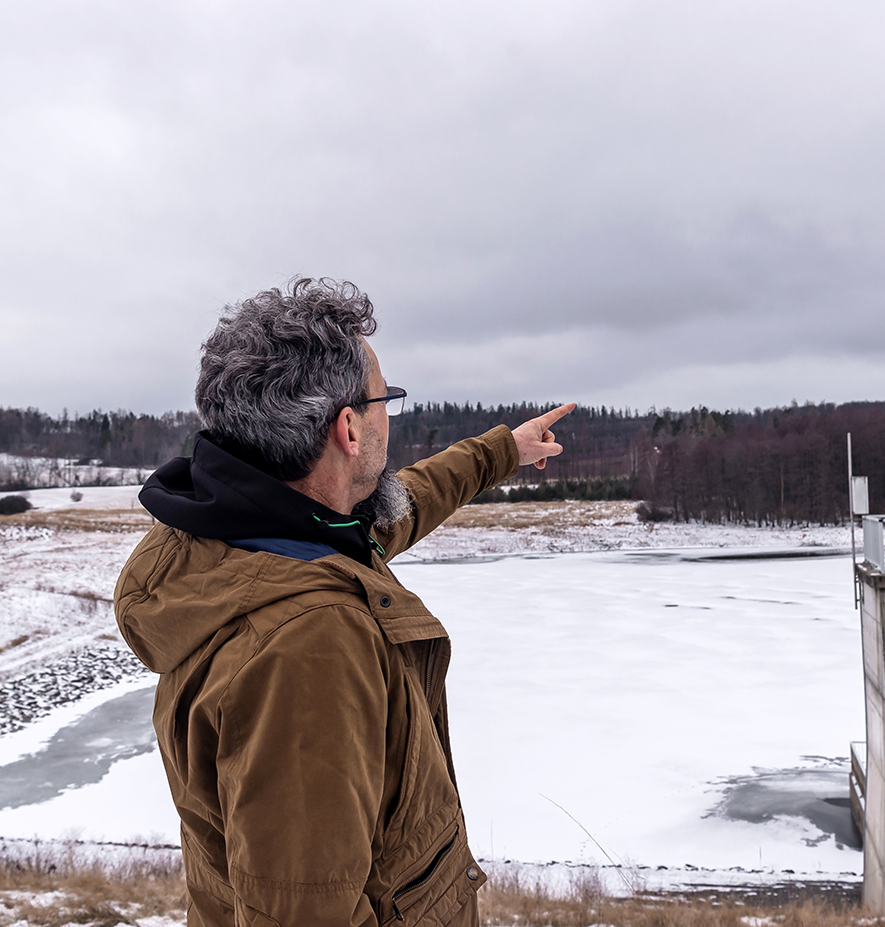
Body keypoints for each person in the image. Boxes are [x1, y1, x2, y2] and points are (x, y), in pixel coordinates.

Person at [114, 278, 573, 927]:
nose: (391, 414)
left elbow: (407, 501)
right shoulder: (308, 641)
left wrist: (506, 450)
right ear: (349, 428)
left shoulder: (246, 534)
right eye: (385, 398)